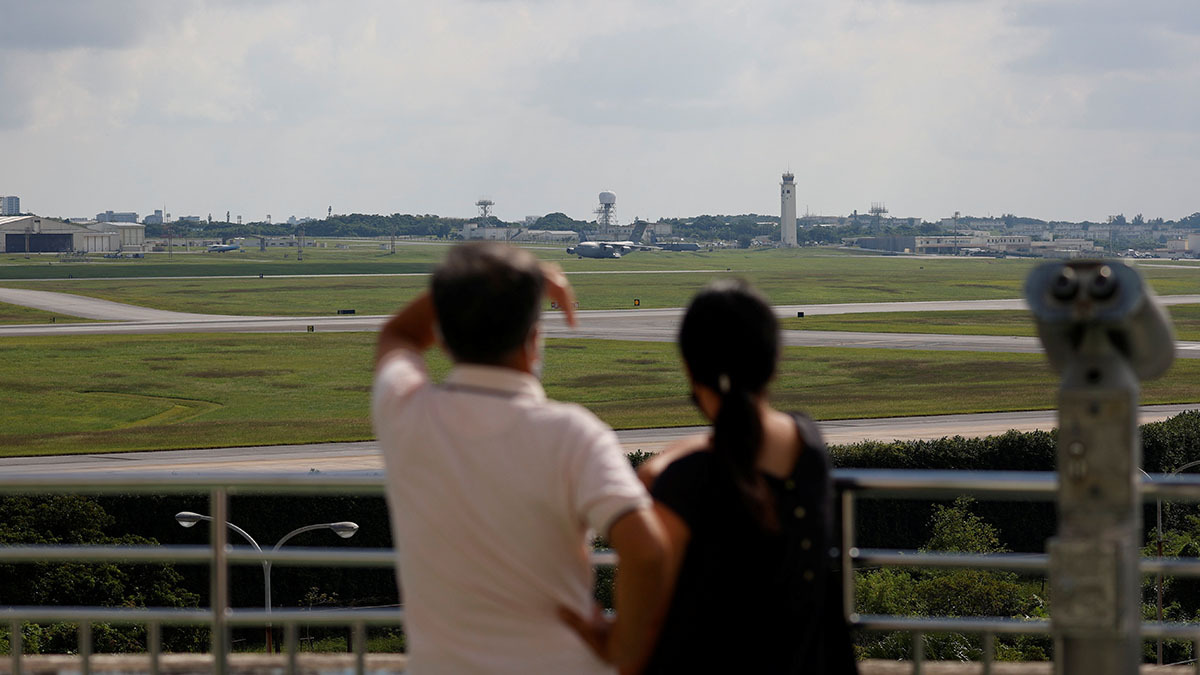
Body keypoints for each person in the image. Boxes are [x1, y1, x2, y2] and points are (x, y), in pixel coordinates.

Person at [372, 241, 668, 675]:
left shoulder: (406, 411)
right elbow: (647, 551)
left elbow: (397, 334)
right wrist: (623, 645)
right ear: (534, 339)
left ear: (446, 337)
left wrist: (484, 289)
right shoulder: (574, 434)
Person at [635, 279, 857, 674]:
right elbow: (739, 444)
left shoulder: (683, 483)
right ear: (773, 362)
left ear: (689, 367)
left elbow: (647, 625)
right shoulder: (809, 445)